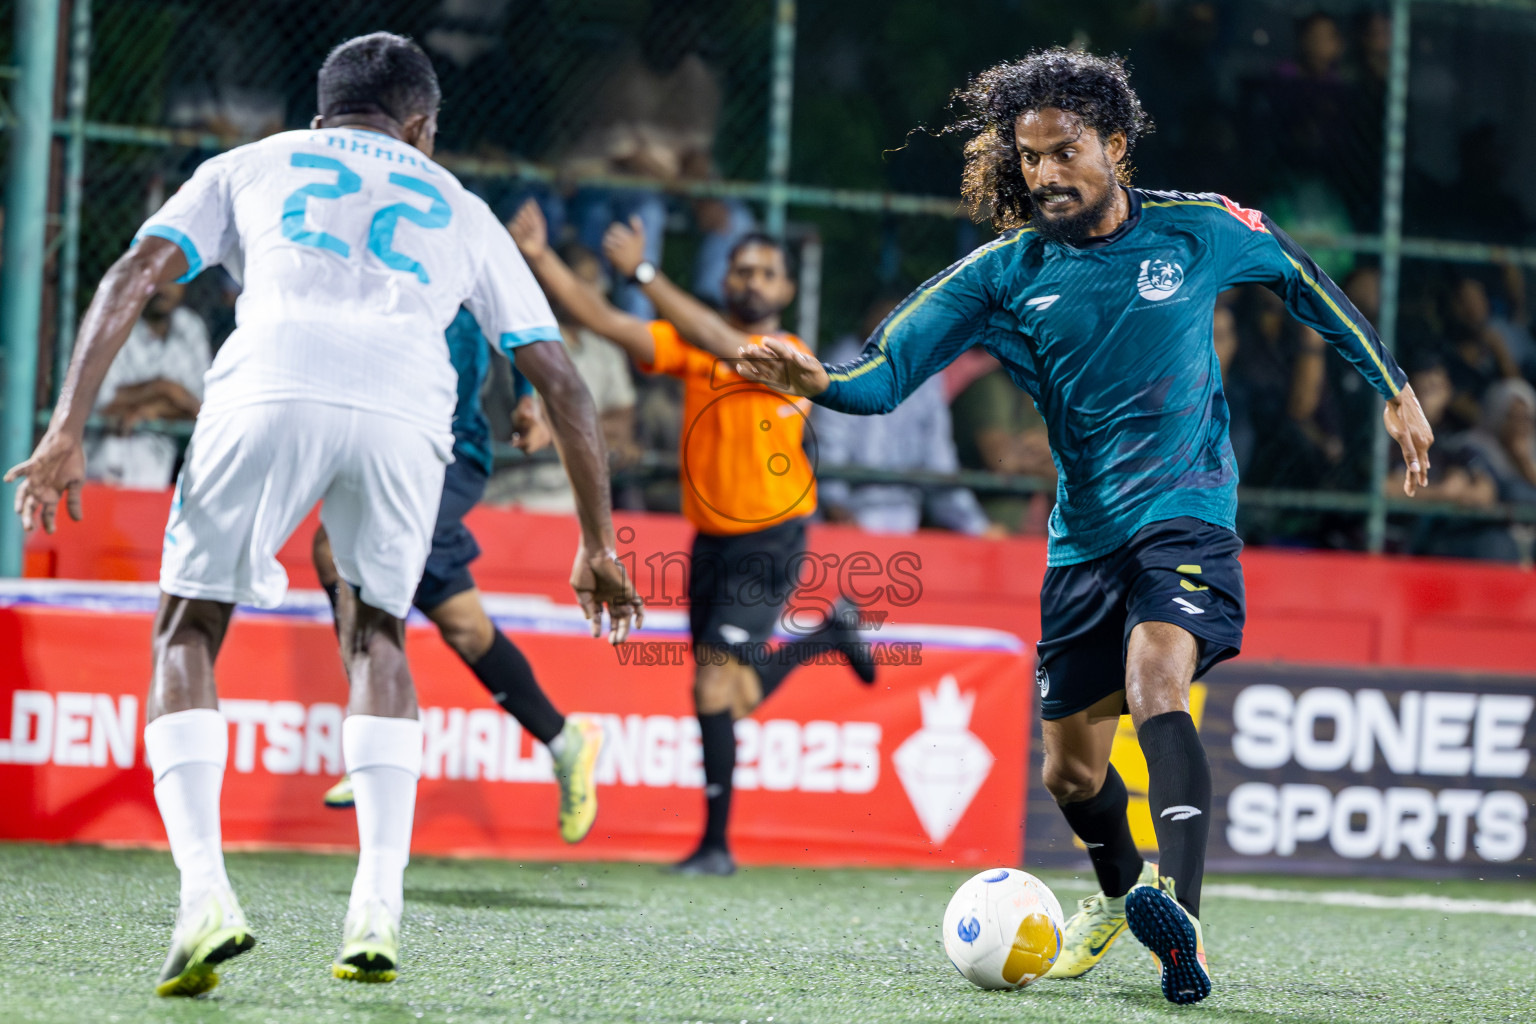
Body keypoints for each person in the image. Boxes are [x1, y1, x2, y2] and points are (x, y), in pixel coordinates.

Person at [736, 48, 1433, 1005]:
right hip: (1081, 541)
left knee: (1157, 675)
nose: (1046, 175)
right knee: (1070, 774)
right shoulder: (1003, 274)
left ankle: (1179, 921)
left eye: (1064, 152)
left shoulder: (1196, 230)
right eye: (1028, 159)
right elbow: (887, 374)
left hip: (1185, 513)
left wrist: (1391, 388)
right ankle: (1117, 897)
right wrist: (820, 383)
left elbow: (1300, 275)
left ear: (1114, 146)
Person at [6, 33, 641, 995]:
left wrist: (64, 429)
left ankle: (204, 899)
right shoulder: (463, 210)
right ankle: (375, 910)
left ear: (321, 109)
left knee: (188, 624)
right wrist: (597, 540)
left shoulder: (248, 163)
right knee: (378, 632)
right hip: (405, 408)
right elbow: (561, 381)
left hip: (271, 380)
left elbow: (133, 275)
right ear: (421, 126)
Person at [508, 200, 876, 876]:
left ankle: (716, 848)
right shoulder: (692, 350)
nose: (753, 281)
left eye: (767, 272)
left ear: (789, 291)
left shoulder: (786, 355)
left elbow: (716, 337)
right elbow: (605, 322)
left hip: (771, 538)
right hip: (708, 541)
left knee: (713, 688)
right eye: (742, 270)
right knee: (721, 694)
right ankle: (828, 635)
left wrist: (646, 272)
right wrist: (539, 259)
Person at [313, 306, 608, 847]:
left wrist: (528, 394)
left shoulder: (460, 235)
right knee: (465, 626)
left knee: (340, 548)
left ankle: (377, 735)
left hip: (448, 450)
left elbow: (515, 310)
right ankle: (566, 739)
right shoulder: (364, 240)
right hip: (381, 442)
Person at [816, 296, 998, 536]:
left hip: (905, 528)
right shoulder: (839, 367)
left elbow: (939, 462)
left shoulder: (925, 374)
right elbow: (827, 451)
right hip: (842, 527)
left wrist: (976, 527)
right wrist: (836, 507)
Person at [85, 280, 212, 489]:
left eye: (174, 277)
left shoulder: (190, 327)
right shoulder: (114, 323)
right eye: (159, 277)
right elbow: (105, 404)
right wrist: (164, 389)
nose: (164, 287)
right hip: (103, 470)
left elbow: (201, 409)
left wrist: (151, 409)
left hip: (160, 477)